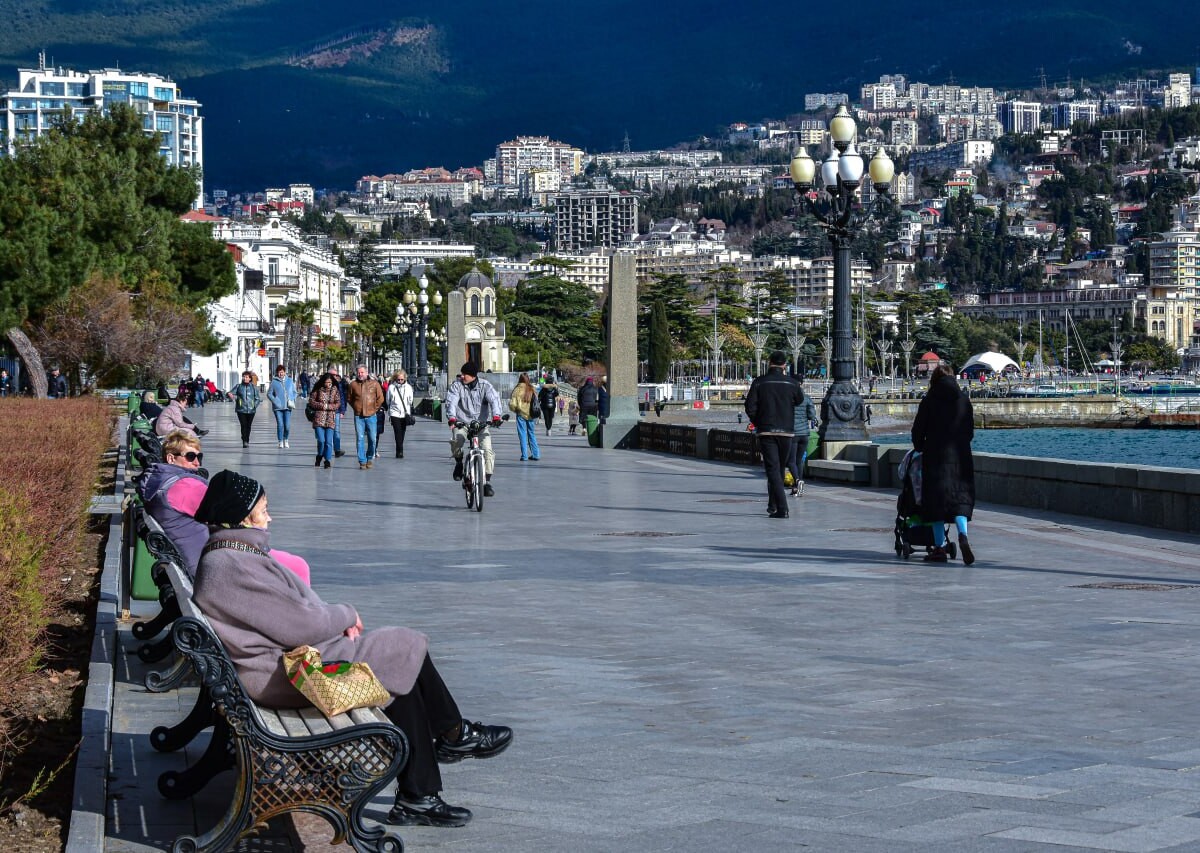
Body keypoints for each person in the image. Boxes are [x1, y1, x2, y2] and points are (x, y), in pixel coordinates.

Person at [191, 470, 512, 828]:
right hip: (283, 676)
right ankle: (450, 742)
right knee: (400, 648)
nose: (270, 516)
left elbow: (292, 619)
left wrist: (331, 620)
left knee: (396, 670)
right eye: (264, 509)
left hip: (284, 664)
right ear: (242, 515)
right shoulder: (231, 564)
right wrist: (346, 613)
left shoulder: (231, 555)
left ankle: (427, 781)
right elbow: (300, 626)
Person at [911, 364, 976, 565]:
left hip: (936, 456)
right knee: (960, 499)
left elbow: (918, 430)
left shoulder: (929, 400)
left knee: (936, 503)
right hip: (960, 457)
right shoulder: (964, 400)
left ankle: (939, 548)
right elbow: (970, 431)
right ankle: (963, 535)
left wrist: (920, 446)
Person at [744, 351, 803, 519]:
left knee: (773, 470)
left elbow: (750, 406)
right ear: (785, 365)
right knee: (779, 469)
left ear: (769, 362)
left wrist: (758, 421)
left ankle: (782, 508)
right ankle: (773, 505)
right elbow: (799, 400)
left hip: (767, 431)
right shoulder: (792, 383)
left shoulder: (759, 382)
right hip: (787, 432)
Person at [444, 361, 503, 496]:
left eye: (465, 374)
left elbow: (495, 400)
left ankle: (486, 482)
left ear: (473, 376)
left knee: (487, 450)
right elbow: (451, 402)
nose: (462, 376)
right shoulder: (457, 386)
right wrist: (452, 418)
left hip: (481, 425)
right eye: (462, 374)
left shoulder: (485, 386)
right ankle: (459, 462)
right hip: (462, 422)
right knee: (456, 441)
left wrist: (496, 417)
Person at [345, 365, 384, 469]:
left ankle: (369, 457)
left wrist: (374, 409)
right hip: (359, 416)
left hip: (371, 416)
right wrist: (356, 407)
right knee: (360, 438)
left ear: (366, 373)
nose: (360, 374)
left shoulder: (375, 384)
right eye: (358, 372)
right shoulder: (353, 384)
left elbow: (380, 398)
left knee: (372, 438)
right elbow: (349, 398)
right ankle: (362, 460)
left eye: (362, 372)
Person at [786, 385, 819, 498]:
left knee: (790, 461)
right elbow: (811, 416)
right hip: (805, 434)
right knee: (799, 461)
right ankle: (797, 488)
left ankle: (798, 481)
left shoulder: (789, 400)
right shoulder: (807, 399)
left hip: (793, 433)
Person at [309, 372, 341, 468]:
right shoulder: (318, 390)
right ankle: (319, 455)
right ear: (323, 382)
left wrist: (330, 407)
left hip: (330, 419)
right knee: (321, 440)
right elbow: (311, 401)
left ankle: (327, 460)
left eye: (330, 382)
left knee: (328, 442)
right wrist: (322, 406)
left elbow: (338, 403)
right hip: (319, 419)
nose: (329, 384)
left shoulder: (335, 390)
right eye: (327, 382)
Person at [508, 373, 541, 462]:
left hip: (521, 415)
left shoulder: (517, 389)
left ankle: (524, 456)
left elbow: (512, 404)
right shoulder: (532, 388)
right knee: (531, 434)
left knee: (522, 435)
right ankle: (536, 454)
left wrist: (515, 409)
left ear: (520, 379)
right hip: (531, 415)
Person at [385, 370, 414, 459]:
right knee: (397, 431)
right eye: (398, 380)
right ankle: (400, 450)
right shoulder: (391, 387)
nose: (400, 381)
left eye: (402, 379)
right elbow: (388, 400)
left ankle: (399, 448)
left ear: (405, 379)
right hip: (395, 413)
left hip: (405, 413)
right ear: (395, 379)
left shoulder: (408, 388)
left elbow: (411, 400)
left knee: (403, 431)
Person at [267, 366, 297, 448]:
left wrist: (292, 399)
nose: (281, 373)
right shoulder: (274, 382)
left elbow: (295, 392)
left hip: (288, 407)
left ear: (285, 372)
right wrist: (275, 400)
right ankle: (280, 441)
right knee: (280, 424)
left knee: (287, 426)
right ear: (277, 373)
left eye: (282, 372)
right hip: (278, 408)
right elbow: (269, 394)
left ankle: (286, 439)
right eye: (279, 372)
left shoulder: (290, 381)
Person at [233, 371, 261, 447]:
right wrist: (233, 396)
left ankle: (246, 439)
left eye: (247, 377)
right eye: (244, 377)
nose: (245, 378)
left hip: (251, 410)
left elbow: (258, 399)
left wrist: (254, 405)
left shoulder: (253, 387)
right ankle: (245, 441)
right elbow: (230, 393)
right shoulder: (238, 386)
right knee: (243, 425)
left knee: (248, 426)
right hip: (241, 409)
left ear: (250, 378)